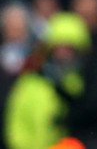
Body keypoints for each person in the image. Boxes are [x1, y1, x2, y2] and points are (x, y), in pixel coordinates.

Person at [4, 12, 91, 149]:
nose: (62, 55)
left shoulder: (83, 85)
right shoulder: (31, 82)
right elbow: (16, 125)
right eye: (58, 49)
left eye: (68, 49)